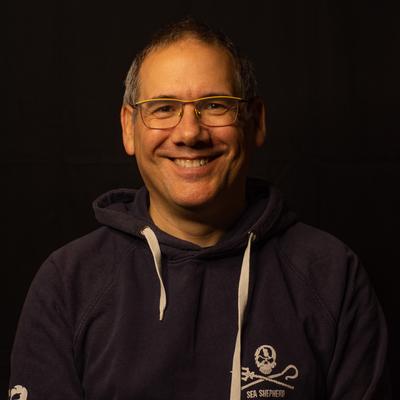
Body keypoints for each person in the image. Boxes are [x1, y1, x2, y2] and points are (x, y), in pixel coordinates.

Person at [9, 18, 390, 400]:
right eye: (163, 108)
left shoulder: (332, 275)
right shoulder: (68, 283)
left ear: (256, 122)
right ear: (128, 128)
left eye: (215, 105)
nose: (190, 133)